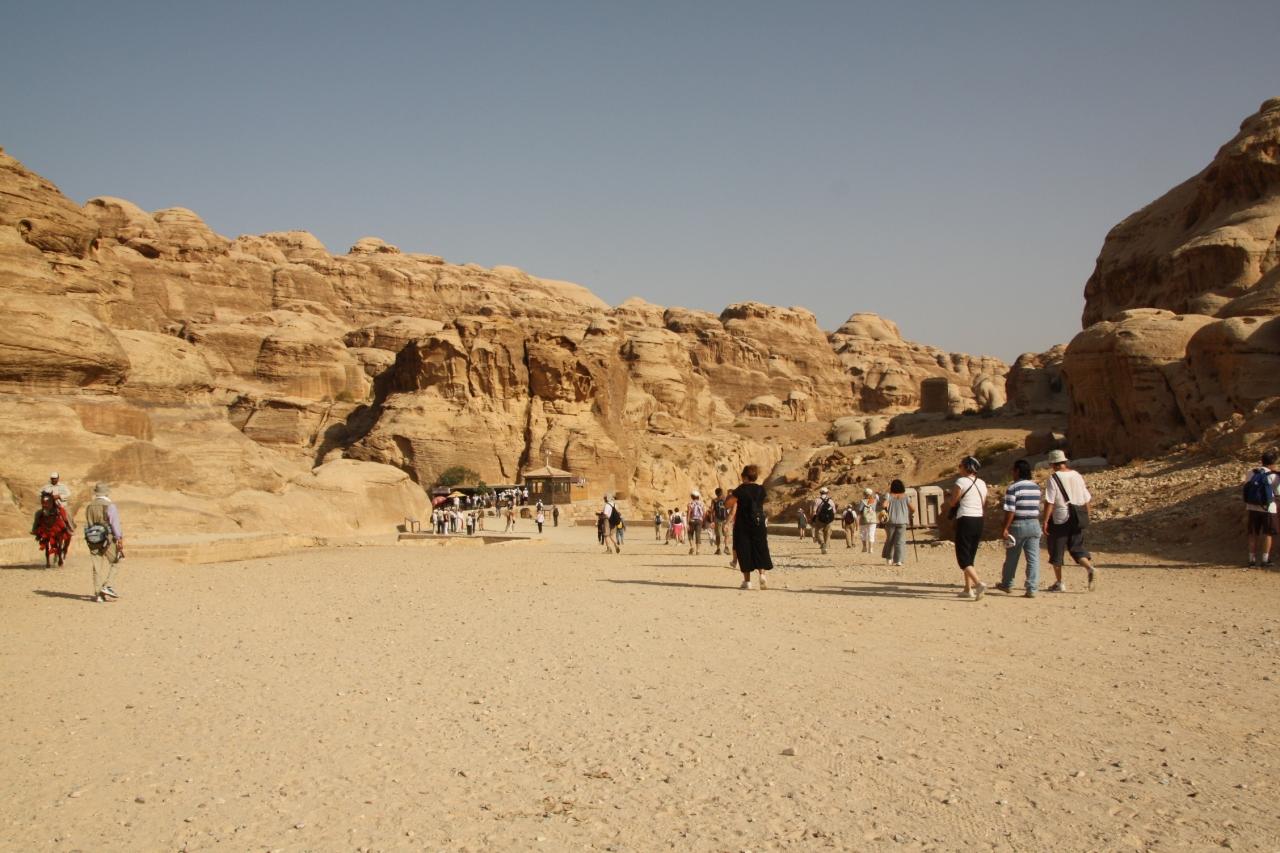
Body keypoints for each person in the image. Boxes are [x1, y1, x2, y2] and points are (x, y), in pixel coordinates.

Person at [1041, 449, 1097, 592]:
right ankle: (1090, 568)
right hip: (1077, 517)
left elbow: (1050, 501)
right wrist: (1087, 515)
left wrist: (1045, 520)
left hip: (1060, 518)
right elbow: (1086, 498)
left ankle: (1059, 583)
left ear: (1053, 464)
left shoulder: (1053, 478)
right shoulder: (1077, 475)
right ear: (1064, 461)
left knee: (1056, 550)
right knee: (1077, 547)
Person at [997, 459, 1042, 597]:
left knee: (1012, 556)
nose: (1012, 472)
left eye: (1013, 470)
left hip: (1018, 525)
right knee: (1033, 558)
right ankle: (1032, 588)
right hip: (1034, 523)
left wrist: (1005, 528)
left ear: (1017, 471)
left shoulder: (1013, 488)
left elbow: (1010, 510)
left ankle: (1007, 584)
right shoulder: (1036, 487)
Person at [948, 456, 989, 600]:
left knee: (963, 557)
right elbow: (983, 503)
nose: (959, 468)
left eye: (960, 466)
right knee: (970, 555)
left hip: (965, 519)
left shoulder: (961, 481)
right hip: (978, 519)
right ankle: (967, 588)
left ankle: (978, 584)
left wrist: (950, 499)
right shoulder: (982, 483)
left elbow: (953, 502)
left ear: (966, 467)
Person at [727, 464, 773, 590]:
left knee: (744, 550)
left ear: (744, 476)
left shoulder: (741, 489)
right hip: (759, 522)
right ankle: (762, 574)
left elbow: (728, 504)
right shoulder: (761, 489)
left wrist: (731, 494)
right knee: (760, 547)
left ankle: (747, 582)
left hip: (743, 523)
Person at [83, 482, 124, 603]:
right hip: (108, 539)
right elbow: (115, 524)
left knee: (96, 567)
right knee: (116, 560)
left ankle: (98, 595)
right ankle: (107, 586)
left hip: (93, 539)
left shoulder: (89, 506)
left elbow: (88, 523)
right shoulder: (110, 506)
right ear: (106, 493)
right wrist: (119, 538)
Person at [1243, 450, 1279, 568]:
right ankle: (1265, 560)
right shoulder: (1274, 475)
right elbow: (1277, 493)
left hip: (1252, 507)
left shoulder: (1251, 472)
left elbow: (1247, 487)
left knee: (1253, 534)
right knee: (1268, 534)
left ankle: (1251, 560)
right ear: (1273, 463)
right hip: (1268, 508)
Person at [880, 480, 914, 566]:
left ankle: (889, 558)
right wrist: (909, 514)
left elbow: (884, 505)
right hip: (902, 521)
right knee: (900, 541)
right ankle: (898, 560)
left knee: (890, 540)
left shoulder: (889, 496)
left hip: (890, 521)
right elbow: (913, 509)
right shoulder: (906, 497)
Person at [811, 487, 837, 554]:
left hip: (820, 519)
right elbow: (834, 512)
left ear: (820, 493)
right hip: (829, 520)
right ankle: (826, 547)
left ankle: (822, 543)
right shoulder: (831, 501)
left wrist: (813, 519)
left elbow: (814, 511)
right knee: (828, 533)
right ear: (827, 493)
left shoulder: (817, 500)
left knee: (819, 532)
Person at [710, 487, 732, 555]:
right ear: (721, 493)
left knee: (718, 535)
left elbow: (712, 511)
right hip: (726, 519)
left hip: (717, 519)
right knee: (726, 534)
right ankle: (726, 547)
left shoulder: (714, 500)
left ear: (716, 493)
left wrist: (712, 521)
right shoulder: (725, 499)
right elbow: (729, 509)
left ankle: (718, 549)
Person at [687, 490, 706, 555]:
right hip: (699, 521)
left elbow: (689, 513)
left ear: (692, 496)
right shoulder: (702, 503)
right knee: (698, 535)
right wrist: (704, 522)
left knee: (690, 534)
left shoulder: (690, 503)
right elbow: (704, 513)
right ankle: (698, 550)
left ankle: (692, 547)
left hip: (692, 520)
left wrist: (687, 523)